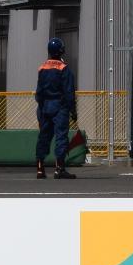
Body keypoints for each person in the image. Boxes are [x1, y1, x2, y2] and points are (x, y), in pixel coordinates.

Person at [35, 37, 78, 181]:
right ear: (61, 51)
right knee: (61, 137)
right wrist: (73, 110)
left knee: (43, 137)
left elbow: (39, 92)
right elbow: (69, 91)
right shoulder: (63, 69)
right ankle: (59, 169)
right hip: (59, 107)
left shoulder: (43, 68)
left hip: (45, 107)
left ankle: (40, 168)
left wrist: (41, 108)